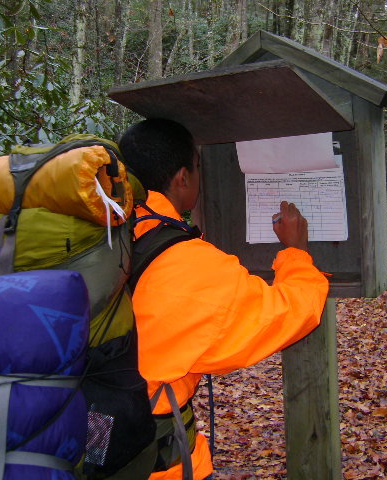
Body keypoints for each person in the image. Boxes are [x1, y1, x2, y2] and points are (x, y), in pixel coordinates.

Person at [118, 118, 329, 480]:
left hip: (82, 440)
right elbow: (289, 314)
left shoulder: (105, 231)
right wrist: (295, 252)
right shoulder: (187, 262)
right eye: (198, 167)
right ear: (183, 177)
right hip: (150, 460)